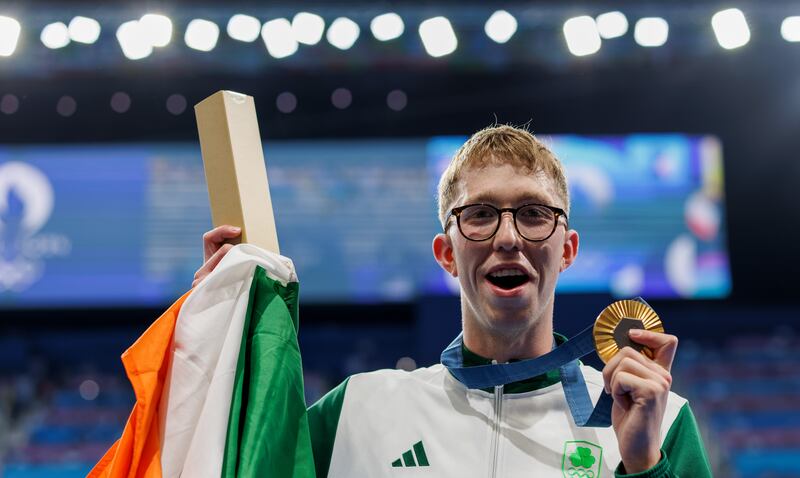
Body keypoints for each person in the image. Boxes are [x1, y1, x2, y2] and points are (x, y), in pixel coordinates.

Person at [194, 125, 711, 477]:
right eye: (480, 214)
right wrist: (218, 330)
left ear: (567, 249)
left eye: (533, 213)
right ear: (446, 253)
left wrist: (644, 465)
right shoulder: (354, 412)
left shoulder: (659, 421)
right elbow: (230, 458)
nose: (508, 237)